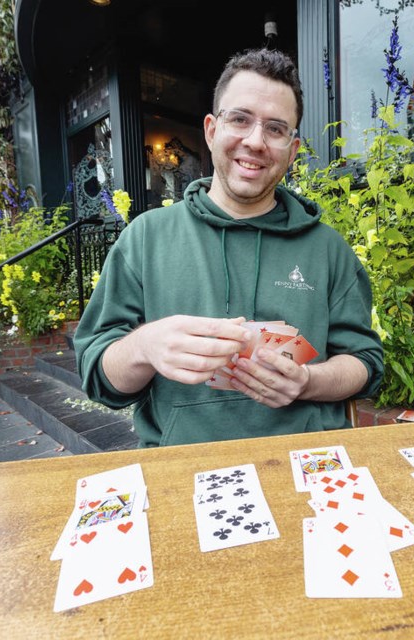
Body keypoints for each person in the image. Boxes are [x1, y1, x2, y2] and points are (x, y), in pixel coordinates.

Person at [74, 48, 383, 447]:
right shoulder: (146, 238)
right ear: (211, 130)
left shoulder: (327, 249)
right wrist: (144, 347)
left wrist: (307, 381)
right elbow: (100, 379)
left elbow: (365, 363)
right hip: (182, 466)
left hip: (308, 463)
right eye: (240, 119)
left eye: (275, 129)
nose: (255, 141)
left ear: (292, 150)